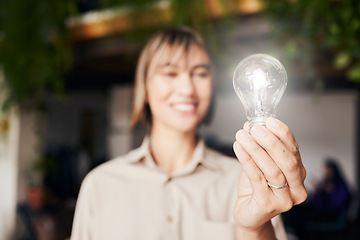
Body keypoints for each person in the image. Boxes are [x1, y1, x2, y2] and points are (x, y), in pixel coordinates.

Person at [71, 26, 307, 240]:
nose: (187, 89)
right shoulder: (100, 185)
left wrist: (252, 229)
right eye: (170, 73)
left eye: (200, 73)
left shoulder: (247, 181)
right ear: (145, 85)